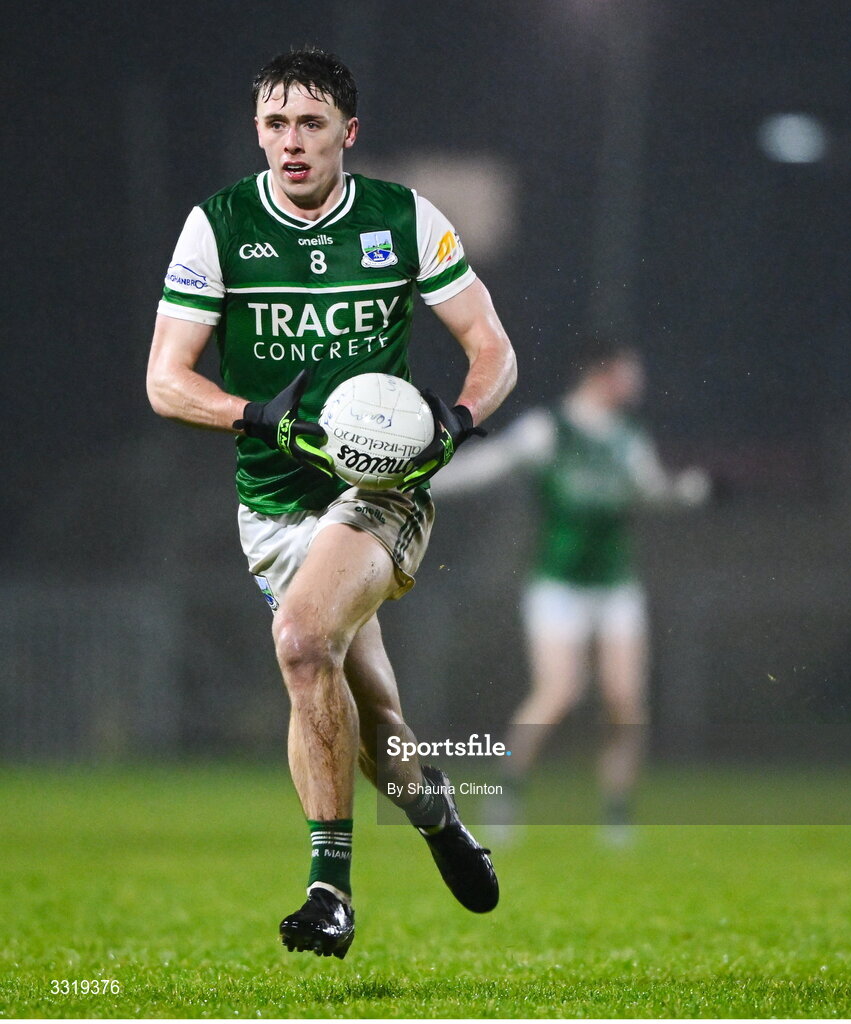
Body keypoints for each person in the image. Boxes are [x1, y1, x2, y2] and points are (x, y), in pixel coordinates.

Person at [146, 48, 516, 958]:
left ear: (348, 133)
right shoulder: (220, 226)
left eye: (311, 124)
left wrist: (459, 421)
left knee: (302, 638)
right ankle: (437, 814)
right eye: (275, 124)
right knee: (372, 723)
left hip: (380, 490)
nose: (291, 142)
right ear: (258, 134)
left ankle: (329, 892)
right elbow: (164, 380)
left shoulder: (401, 217)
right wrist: (256, 418)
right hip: (273, 505)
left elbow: (493, 348)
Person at [431, 339, 708, 842]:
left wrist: (687, 491)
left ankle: (617, 813)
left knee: (626, 700)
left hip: (615, 583)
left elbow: (649, 491)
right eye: (629, 371)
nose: (637, 382)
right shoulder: (550, 429)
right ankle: (507, 791)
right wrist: (421, 482)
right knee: (557, 693)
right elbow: (488, 467)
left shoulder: (628, 437)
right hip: (557, 583)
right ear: (602, 373)